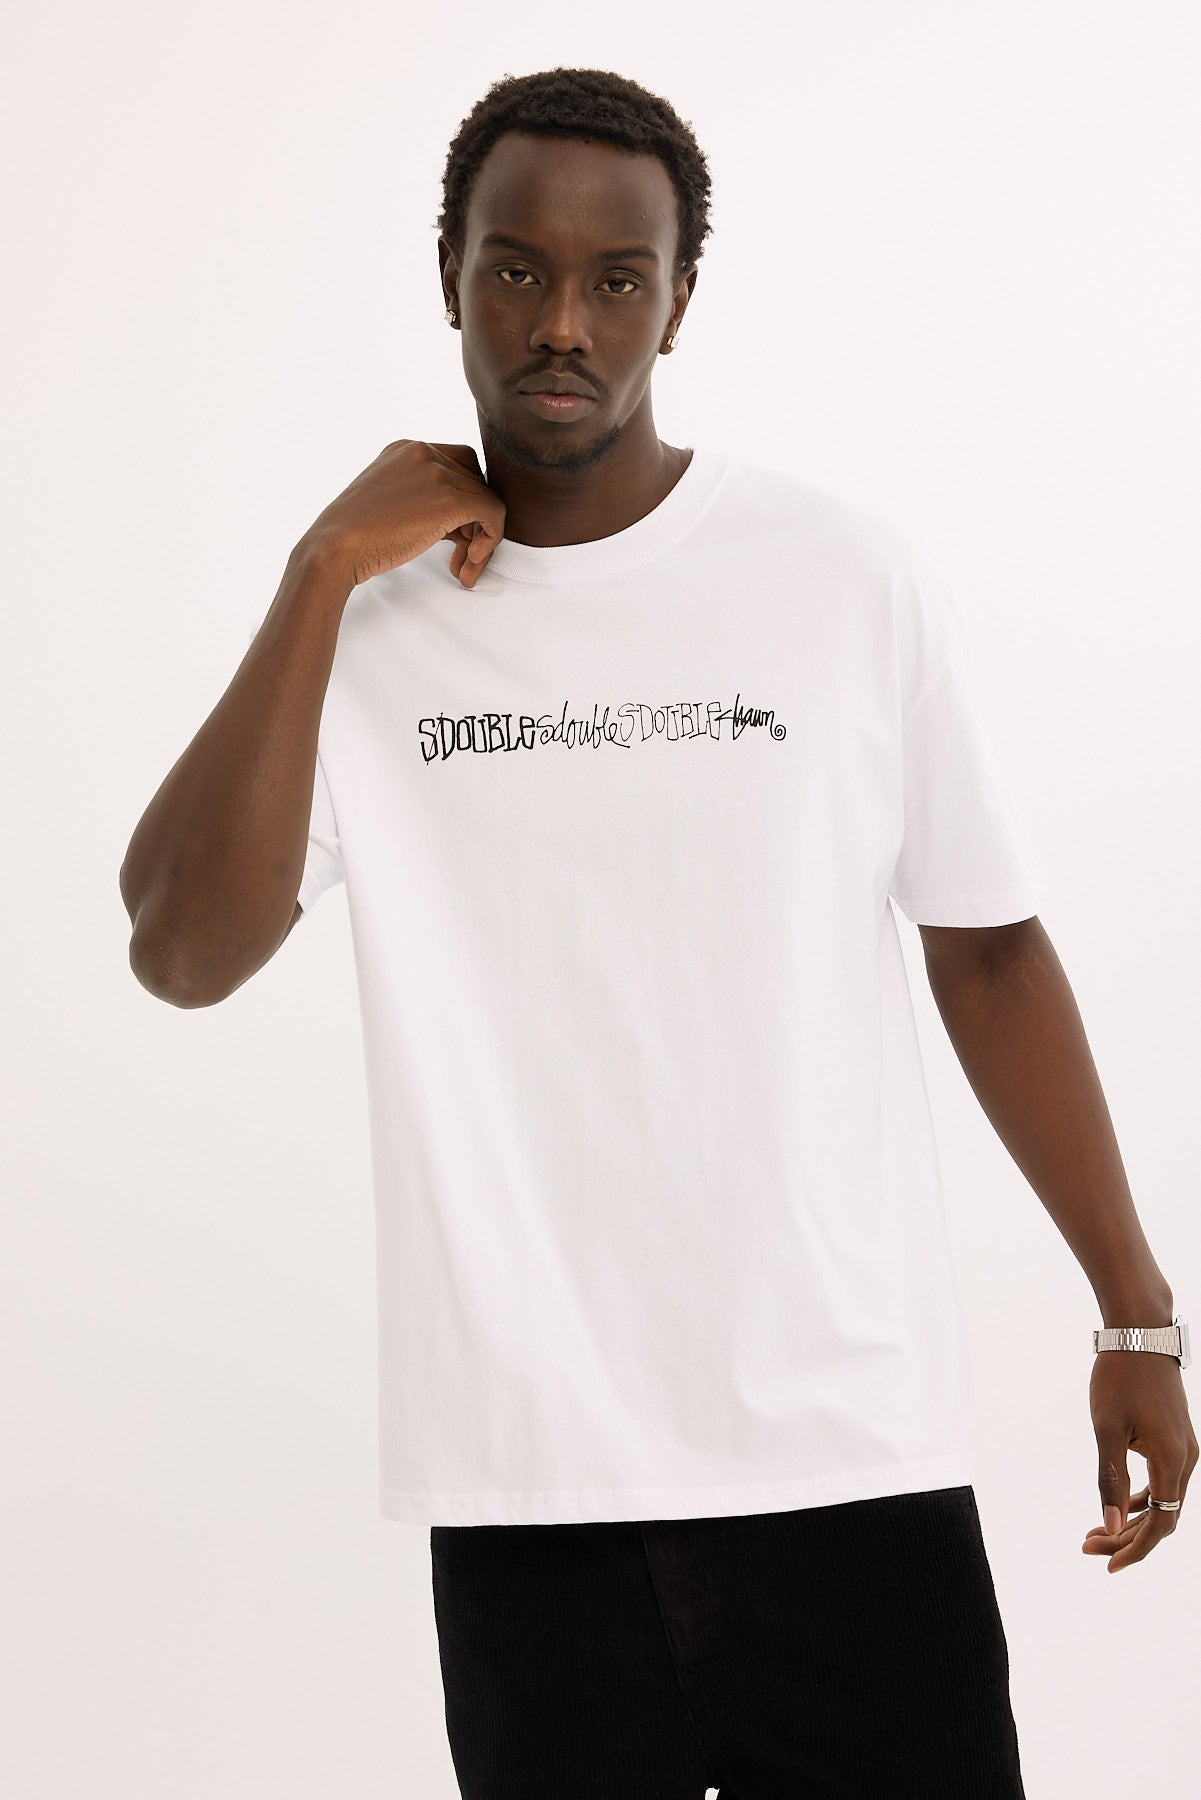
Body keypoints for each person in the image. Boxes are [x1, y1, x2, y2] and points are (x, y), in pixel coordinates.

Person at [120, 64, 1196, 1800]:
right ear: (451, 277)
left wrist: (1132, 1315)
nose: (563, 322)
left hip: (845, 1463)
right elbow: (180, 951)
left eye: (616, 279)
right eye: (516, 270)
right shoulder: (371, 630)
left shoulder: (840, 578)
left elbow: (988, 951)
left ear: (678, 301)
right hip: (526, 1493)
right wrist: (319, 569)